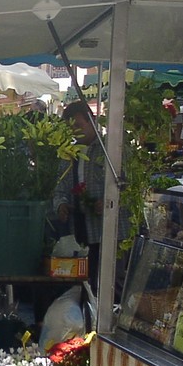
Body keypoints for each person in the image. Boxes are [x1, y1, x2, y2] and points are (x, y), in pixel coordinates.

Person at [54, 101, 131, 299]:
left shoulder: (112, 149)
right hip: (80, 228)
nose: (75, 132)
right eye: (71, 128)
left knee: (112, 283)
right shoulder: (69, 153)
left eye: (79, 126)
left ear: (92, 121)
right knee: (85, 285)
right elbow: (60, 186)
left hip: (110, 229)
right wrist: (61, 204)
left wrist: (109, 201)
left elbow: (130, 186)